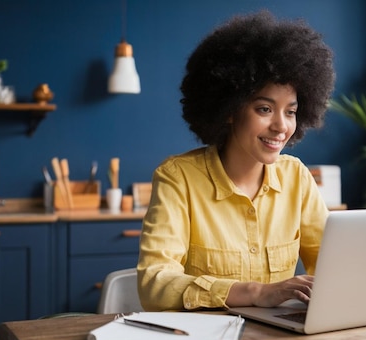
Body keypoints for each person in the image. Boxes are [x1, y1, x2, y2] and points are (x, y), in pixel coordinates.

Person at [137, 10, 336, 312]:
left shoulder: (297, 178)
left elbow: (334, 269)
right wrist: (256, 292)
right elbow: (154, 284)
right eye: (265, 109)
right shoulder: (178, 178)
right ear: (229, 109)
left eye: (291, 111)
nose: (281, 126)